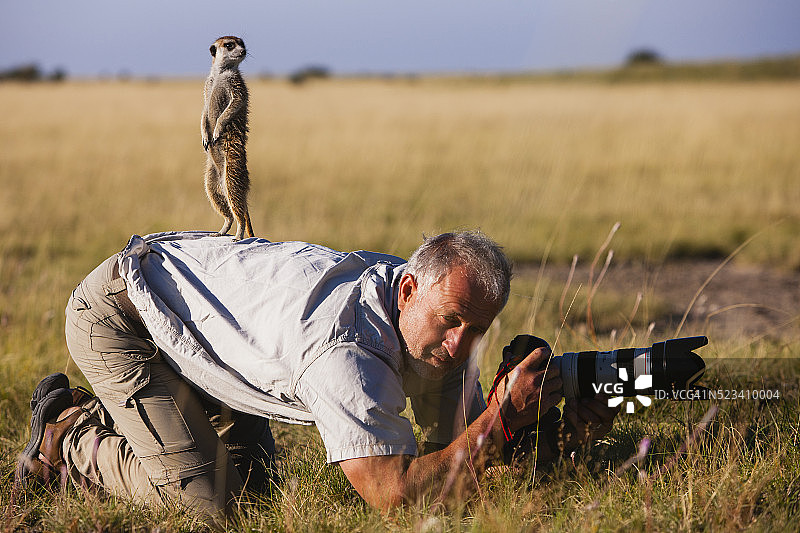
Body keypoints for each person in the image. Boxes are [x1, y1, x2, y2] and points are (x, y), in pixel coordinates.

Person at [17, 230, 619, 513]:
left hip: (214, 339)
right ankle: (68, 435)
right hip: (126, 315)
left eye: (480, 329)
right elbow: (398, 496)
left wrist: (554, 430)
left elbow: (457, 463)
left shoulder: (421, 316)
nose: (462, 344)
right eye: (452, 321)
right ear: (408, 289)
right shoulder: (345, 352)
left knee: (257, 497)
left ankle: (137, 420)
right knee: (208, 510)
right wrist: (498, 420)